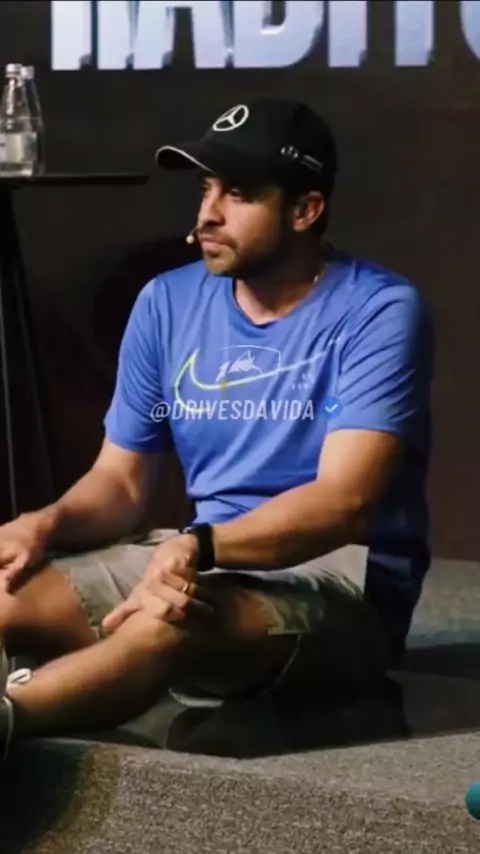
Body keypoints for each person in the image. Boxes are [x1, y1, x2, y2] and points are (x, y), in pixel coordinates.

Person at [0, 98, 434, 761]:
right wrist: (45, 523)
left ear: (305, 209)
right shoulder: (167, 302)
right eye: (206, 188)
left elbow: (343, 503)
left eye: (238, 193)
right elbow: (121, 483)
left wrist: (200, 545)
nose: (207, 212)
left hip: (342, 580)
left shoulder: (379, 310)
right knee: (6, 595)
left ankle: (11, 718)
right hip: (200, 555)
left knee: (169, 619)